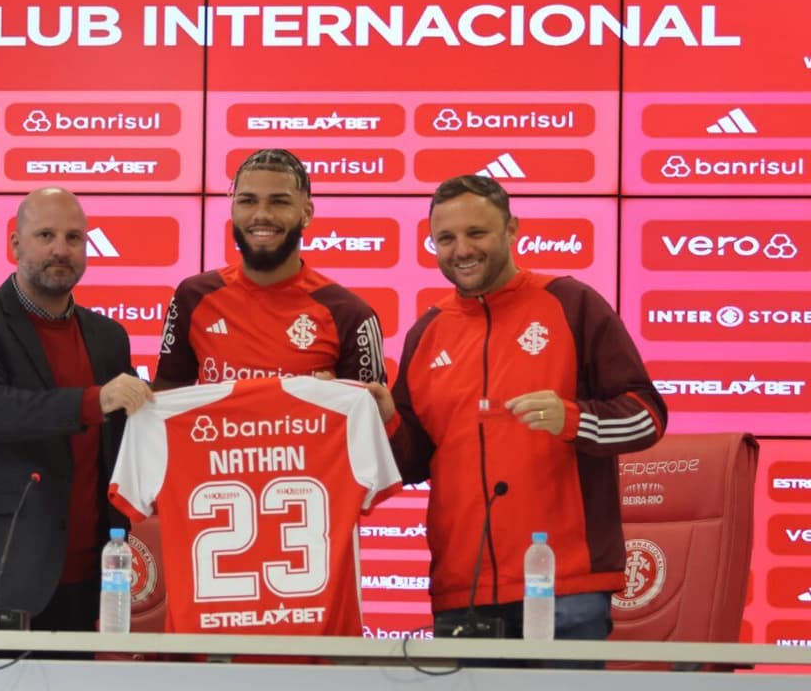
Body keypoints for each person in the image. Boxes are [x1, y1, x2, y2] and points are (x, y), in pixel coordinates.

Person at [368, 174, 667, 644]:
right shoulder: (426, 334)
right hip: (461, 591)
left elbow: (647, 416)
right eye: (445, 238)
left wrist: (573, 418)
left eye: (477, 233)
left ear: (512, 230)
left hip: (566, 588)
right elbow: (412, 463)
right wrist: (386, 416)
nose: (461, 249)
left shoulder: (573, 304)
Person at [0, 187, 153, 632]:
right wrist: (94, 399)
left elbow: (124, 442)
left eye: (75, 238)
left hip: (88, 585)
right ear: (16, 244)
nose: (61, 250)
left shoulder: (108, 337)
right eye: (45, 235)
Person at [155, 148, 386, 389]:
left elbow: (373, 419)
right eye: (247, 201)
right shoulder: (193, 296)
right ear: (233, 208)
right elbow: (164, 403)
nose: (262, 214)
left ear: (306, 213)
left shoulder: (350, 315)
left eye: (279, 202)